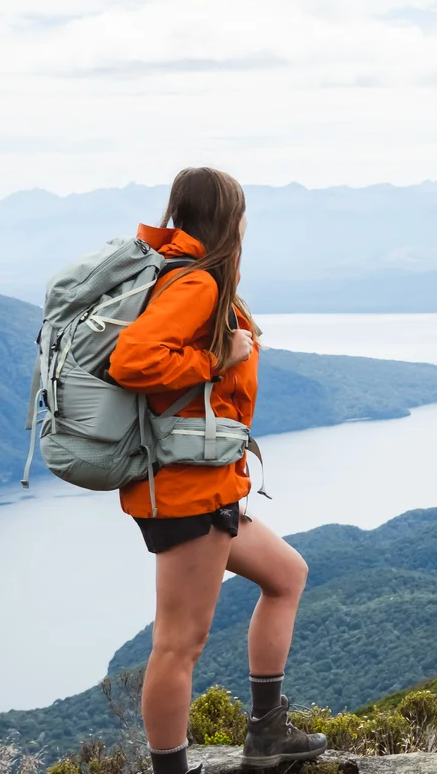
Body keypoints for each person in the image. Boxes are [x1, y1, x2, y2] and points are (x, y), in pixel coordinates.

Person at [108, 167, 325, 774]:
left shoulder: (197, 278)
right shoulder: (197, 284)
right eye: (243, 211)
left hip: (209, 486)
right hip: (187, 494)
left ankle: (267, 733)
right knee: (179, 646)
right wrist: (214, 357)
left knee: (286, 575)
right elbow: (132, 359)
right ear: (229, 218)